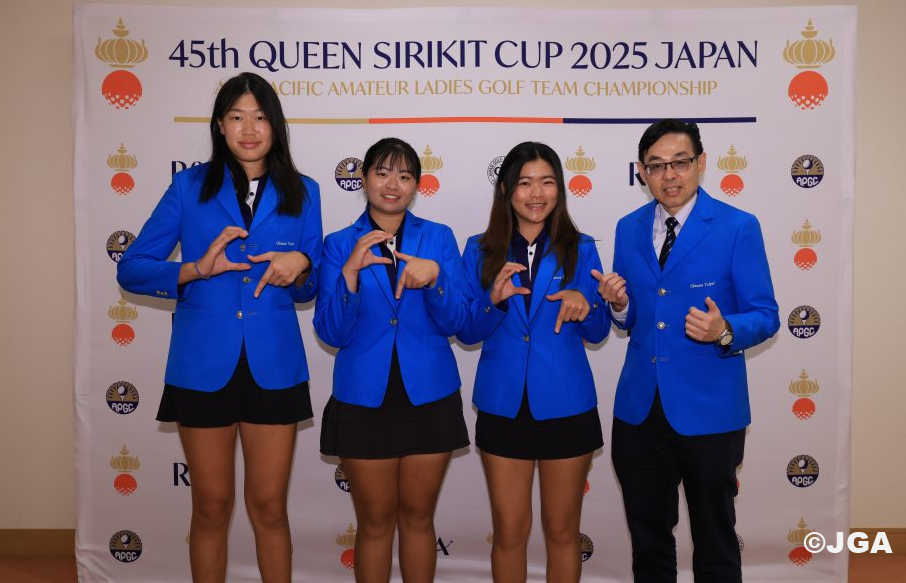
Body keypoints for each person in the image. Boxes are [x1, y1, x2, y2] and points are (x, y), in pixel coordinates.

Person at [116, 72, 322, 583]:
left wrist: (301, 264)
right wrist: (194, 269)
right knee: (210, 506)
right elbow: (132, 268)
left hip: (274, 364)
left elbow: (308, 289)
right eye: (236, 117)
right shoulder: (188, 187)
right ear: (219, 125)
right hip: (202, 364)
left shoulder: (305, 191)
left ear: (276, 125)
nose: (249, 129)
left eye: (260, 117)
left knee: (269, 508)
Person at [595, 119, 779, 582]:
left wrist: (724, 329)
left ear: (701, 163)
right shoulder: (628, 228)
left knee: (715, 541)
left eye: (680, 162)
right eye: (656, 166)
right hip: (639, 411)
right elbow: (634, 316)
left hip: (710, 410)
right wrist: (619, 305)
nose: (669, 175)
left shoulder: (738, 226)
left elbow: (766, 314)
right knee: (649, 542)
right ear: (642, 172)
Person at [313, 137, 470, 583]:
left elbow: (458, 320)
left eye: (404, 176)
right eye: (382, 173)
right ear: (363, 179)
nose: (392, 184)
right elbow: (331, 332)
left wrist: (435, 278)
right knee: (375, 522)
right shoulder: (339, 243)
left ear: (416, 185)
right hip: (363, 397)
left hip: (430, 394)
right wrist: (350, 273)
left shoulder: (438, 237)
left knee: (418, 517)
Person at [457, 141, 611, 583]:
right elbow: (466, 331)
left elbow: (599, 330)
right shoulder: (479, 249)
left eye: (547, 182)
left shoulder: (581, 247)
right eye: (525, 183)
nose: (537, 193)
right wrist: (493, 301)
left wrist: (586, 305)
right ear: (506, 189)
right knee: (509, 531)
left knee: (562, 531)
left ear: (560, 188)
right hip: (503, 405)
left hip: (567, 403)